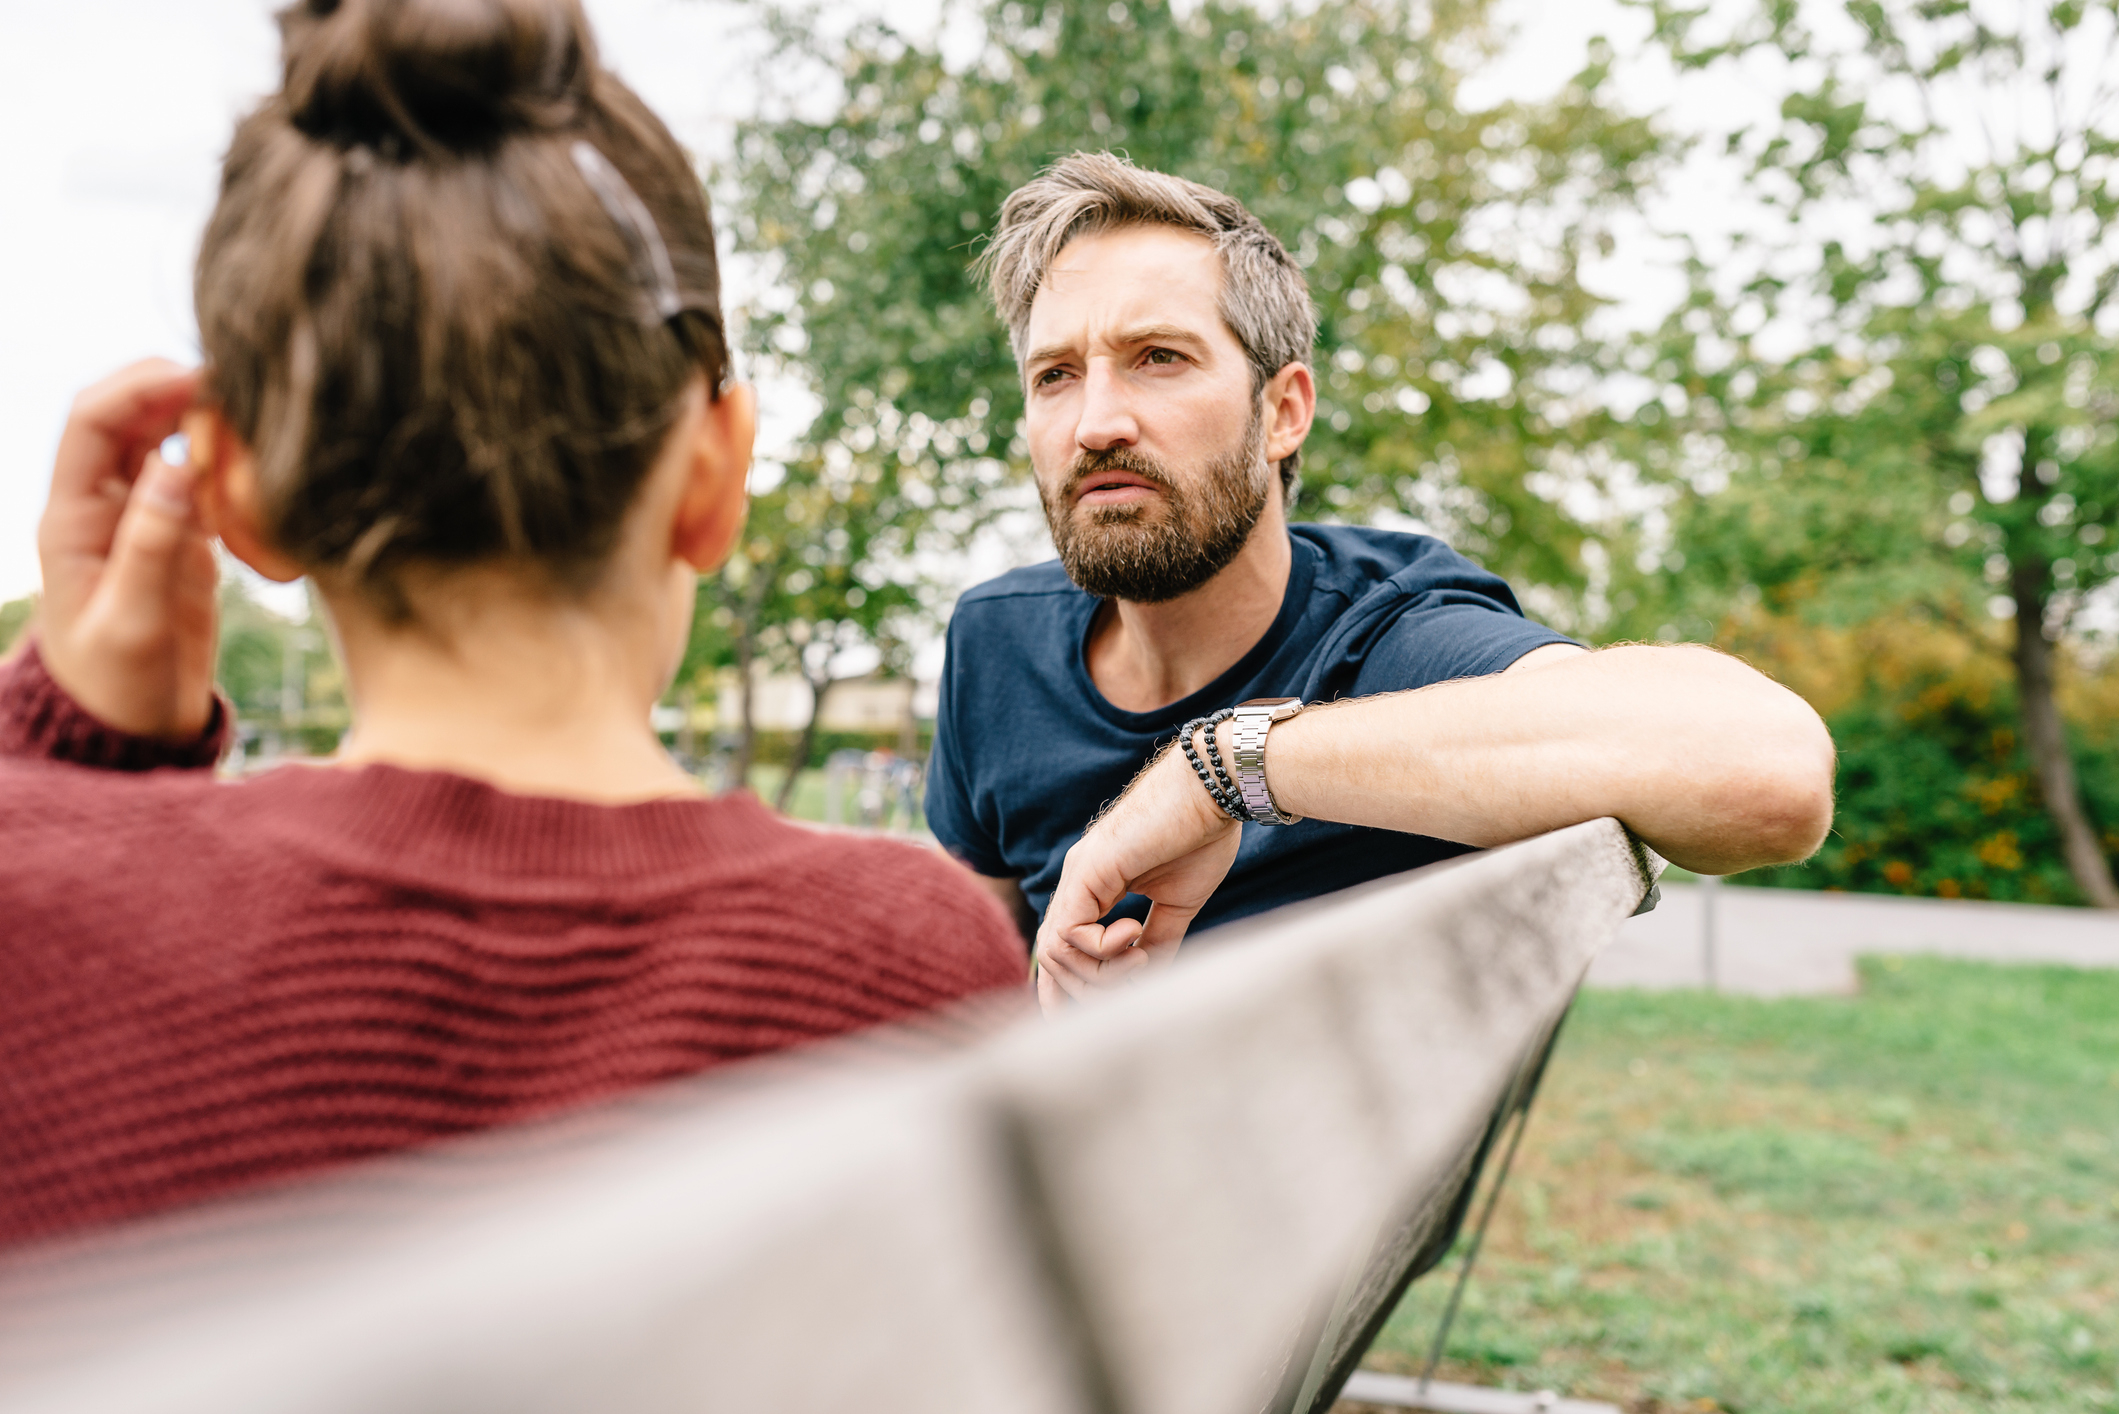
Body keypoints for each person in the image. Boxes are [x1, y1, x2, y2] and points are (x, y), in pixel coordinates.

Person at [0, 0, 1025, 1251]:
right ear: (714, 477)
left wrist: (71, 733)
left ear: (234, 496)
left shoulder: (37, 918)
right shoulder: (907, 967)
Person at [921, 153, 1836, 1010]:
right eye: (1055, 375)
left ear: (1282, 413)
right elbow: (960, 983)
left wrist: (1222, 771)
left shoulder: (1390, 635)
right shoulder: (994, 643)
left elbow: (1771, 773)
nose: (1095, 422)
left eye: (1159, 357)